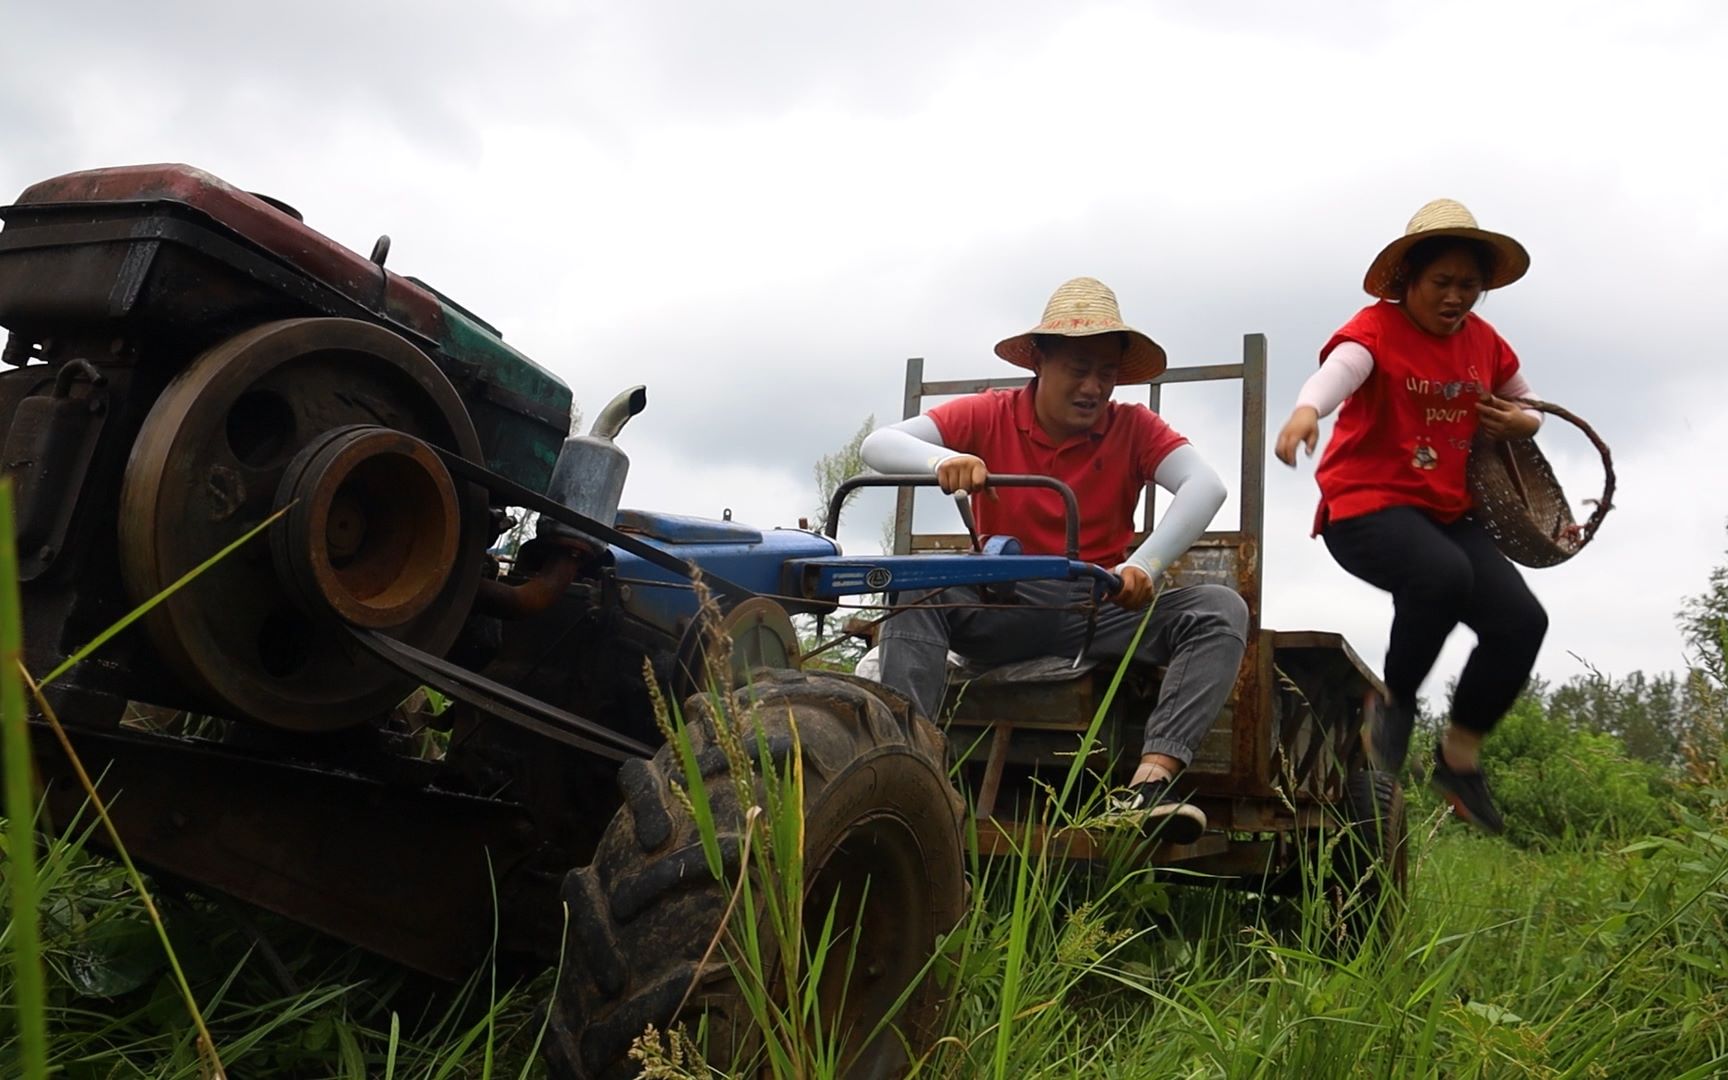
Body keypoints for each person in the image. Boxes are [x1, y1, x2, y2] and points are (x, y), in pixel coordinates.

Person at [861, 277, 1249, 842]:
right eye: (1079, 368)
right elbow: (879, 445)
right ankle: (915, 774)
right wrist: (946, 459)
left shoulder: (1133, 427)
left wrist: (1144, 566)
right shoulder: (991, 413)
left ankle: (1148, 788)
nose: (1094, 387)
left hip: (1093, 608)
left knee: (1219, 609)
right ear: (1039, 362)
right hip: (1002, 606)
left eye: (1107, 374)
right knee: (914, 583)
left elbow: (1204, 486)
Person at [1274, 199, 1550, 834]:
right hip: (1364, 506)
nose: (1456, 298)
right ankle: (1394, 704)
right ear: (1409, 282)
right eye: (1442, 283)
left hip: (1448, 514)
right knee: (1443, 577)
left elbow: (1529, 403)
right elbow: (1340, 372)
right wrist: (1307, 411)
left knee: (1521, 621)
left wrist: (1521, 421)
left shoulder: (1485, 344)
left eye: (1469, 286)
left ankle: (1459, 759)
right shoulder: (1376, 328)